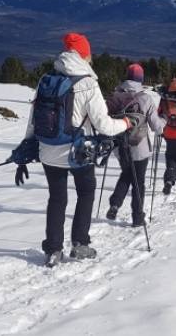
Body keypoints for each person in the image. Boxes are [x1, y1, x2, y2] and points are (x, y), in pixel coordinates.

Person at [20, 32, 130, 267]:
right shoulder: (87, 83)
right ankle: (80, 244)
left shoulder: (46, 78)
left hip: (48, 149)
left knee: (57, 198)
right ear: (82, 55)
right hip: (78, 151)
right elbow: (104, 125)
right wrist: (126, 124)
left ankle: (53, 250)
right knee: (86, 191)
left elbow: (33, 118)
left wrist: (28, 144)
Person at [104, 63, 164, 226]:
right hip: (140, 146)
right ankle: (138, 217)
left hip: (120, 145)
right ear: (141, 78)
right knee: (138, 182)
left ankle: (115, 204)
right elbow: (155, 125)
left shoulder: (114, 96)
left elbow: (104, 119)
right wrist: (162, 125)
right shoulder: (145, 98)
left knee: (127, 174)